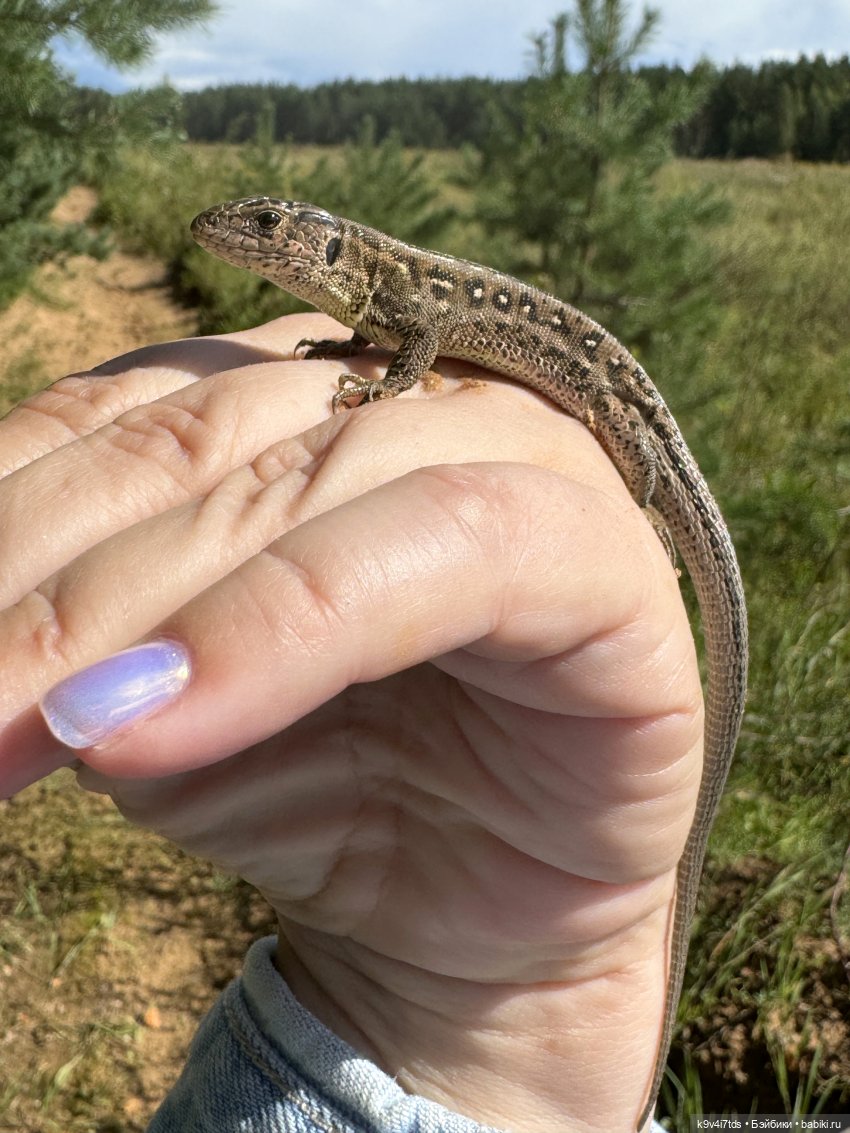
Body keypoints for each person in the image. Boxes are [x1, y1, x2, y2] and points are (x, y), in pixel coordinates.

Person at [1, 312, 700, 1132]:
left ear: (320, 244)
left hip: (612, 402)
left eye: (267, 227)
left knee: (637, 462)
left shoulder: (403, 295)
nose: (246, 237)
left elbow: (430, 332)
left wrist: (393, 387)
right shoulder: (374, 303)